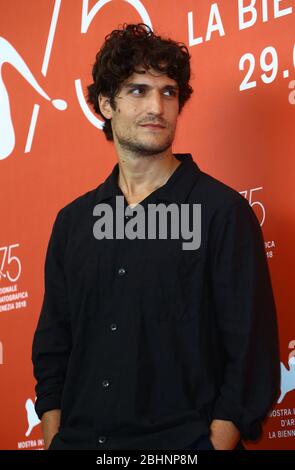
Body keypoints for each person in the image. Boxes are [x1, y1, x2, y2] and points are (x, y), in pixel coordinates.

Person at [32, 23, 280, 451]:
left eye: (169, 92)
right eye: (138, 90)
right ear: (106, 105)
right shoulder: (73, 223)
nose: (158, 107)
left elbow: (251, 356)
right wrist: (55, 434)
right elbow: (54, 345)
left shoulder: (222, 213)